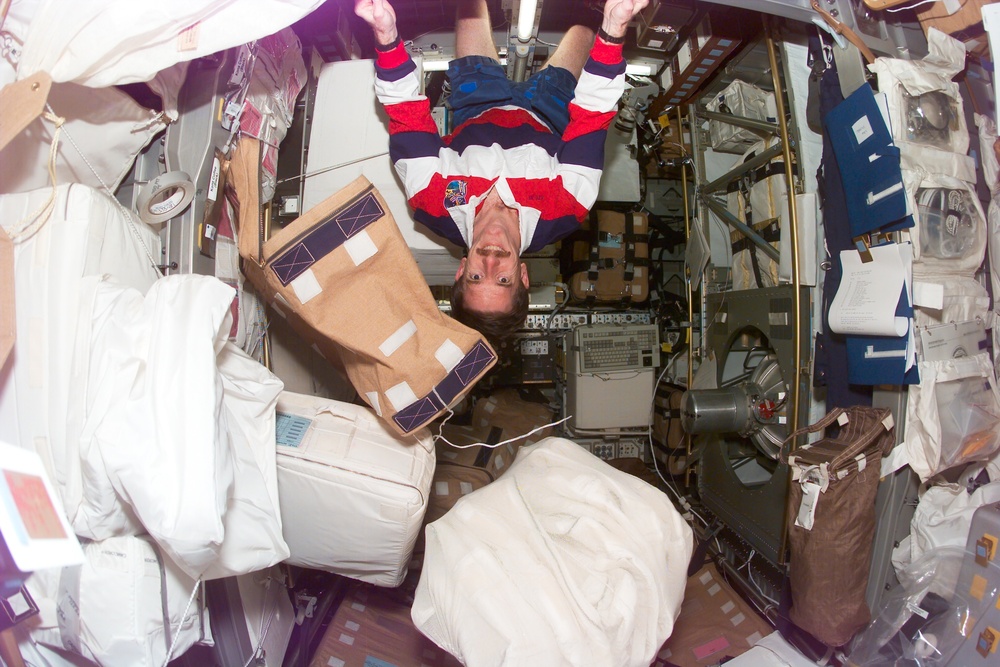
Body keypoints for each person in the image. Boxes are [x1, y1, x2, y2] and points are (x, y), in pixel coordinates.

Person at [354, 0, 649, 341]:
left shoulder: (431, 202)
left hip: (477, 105)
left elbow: (406, 113)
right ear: (523, 277)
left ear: (461, 271)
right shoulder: (567, 207)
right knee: (586, 27)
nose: (490, 262)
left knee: (468, 7)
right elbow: (593, 114)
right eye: (503, 280)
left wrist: (386, 35)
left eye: (477, 277)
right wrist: (613, 31)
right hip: (547, 112)